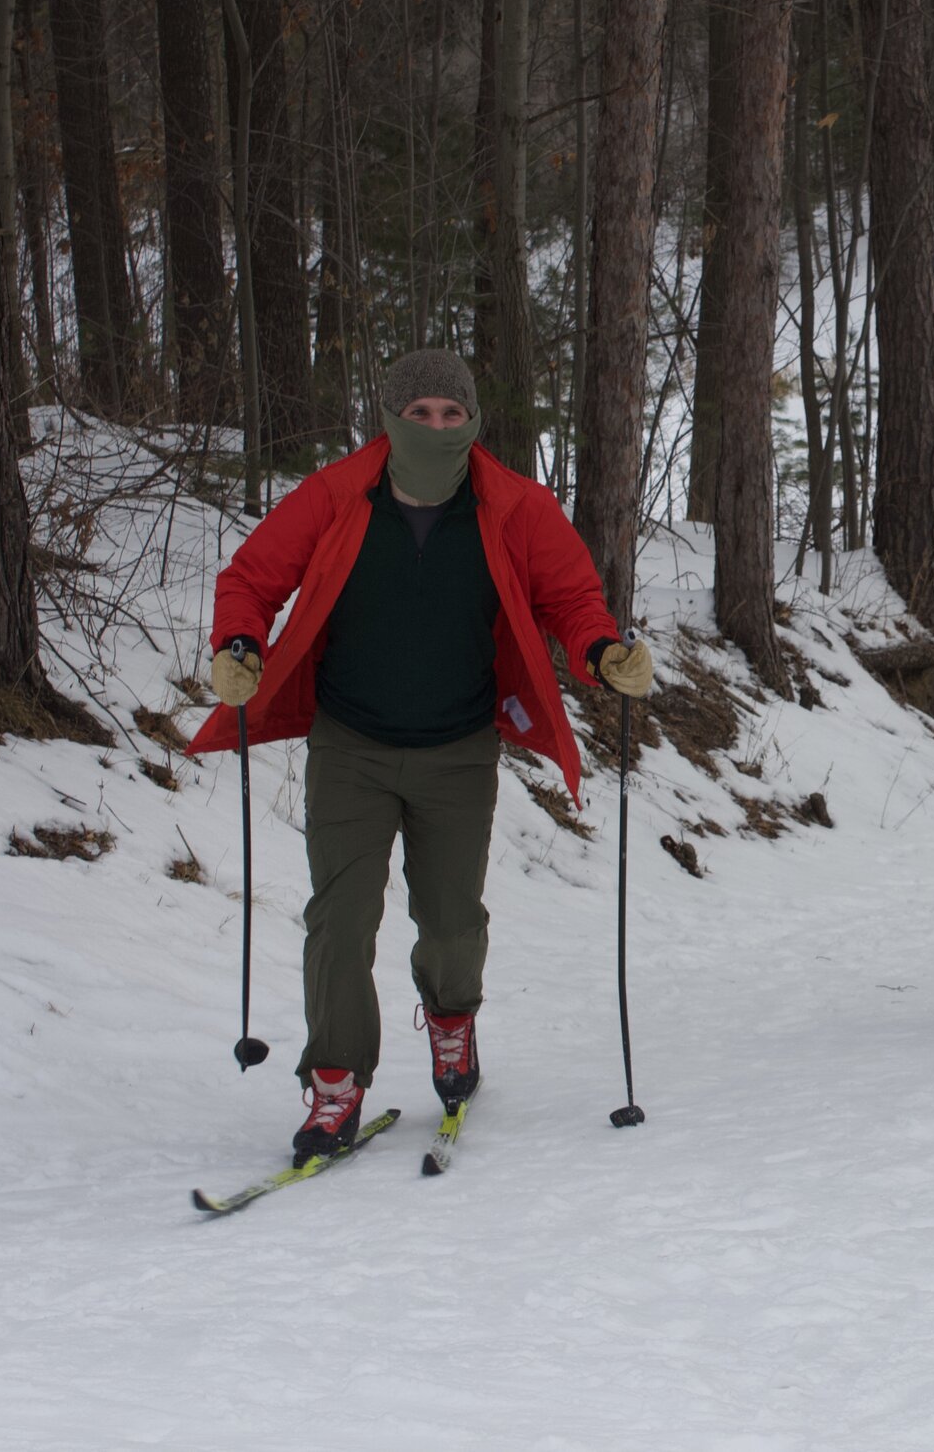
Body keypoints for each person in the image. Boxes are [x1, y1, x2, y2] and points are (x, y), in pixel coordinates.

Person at [187, 350, 654, 1162]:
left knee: (448, 921)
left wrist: (603, 651)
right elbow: (255, 575)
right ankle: (335, 1081)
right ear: (391, 419)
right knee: (338, 920)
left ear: (472, 422)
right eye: (421, 412)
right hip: (351, 744)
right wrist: (239, 642)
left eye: (451, 413)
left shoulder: (514, 505)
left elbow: (571, 598)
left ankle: (450, 1021)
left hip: (458, 749)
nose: (436, 426)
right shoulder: (336, 494)